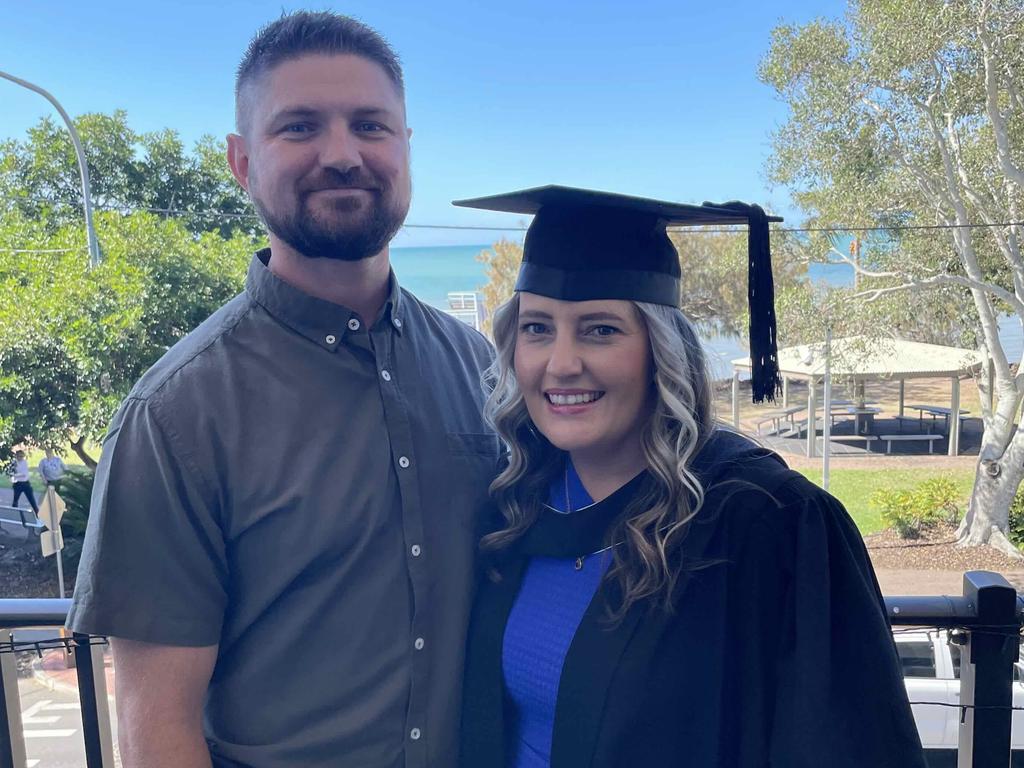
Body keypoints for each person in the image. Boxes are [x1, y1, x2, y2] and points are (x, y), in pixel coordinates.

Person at [67, 12, 497, 768]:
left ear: (405, 148)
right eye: (298, 128)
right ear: (240, 162)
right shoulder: (174, 418)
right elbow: (156, 731)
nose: (342, 155)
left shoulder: (478, 365)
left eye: (371, 125)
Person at [455, 186, 926, 767]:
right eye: (537, 328)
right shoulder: (515, 506)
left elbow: (844, 744)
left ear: (661, 350)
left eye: (600, 329)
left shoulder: (765, 522)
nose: (561, 362)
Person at [9, 450, 39, 515]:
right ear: (16, 456)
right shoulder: (14, 463)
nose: (20, 458)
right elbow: (11, 473)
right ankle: (13, 514)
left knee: (32, 500)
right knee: (15, 500)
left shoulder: (24, 462)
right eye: (18, 456)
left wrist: (16, 475)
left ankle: (37, 514)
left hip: (25, 483)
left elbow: (24, 474)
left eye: (21, 456)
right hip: (18, 484)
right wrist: (15, 476)